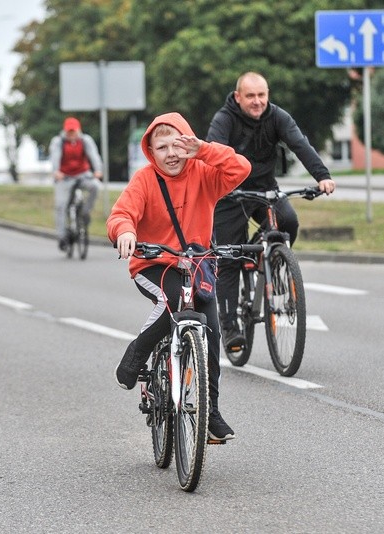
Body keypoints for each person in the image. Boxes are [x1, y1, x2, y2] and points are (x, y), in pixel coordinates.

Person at [107, 112, 251, 441]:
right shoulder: (144, 180)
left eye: (178, 144)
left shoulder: (204, 172)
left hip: (196, 265)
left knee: (211, 332)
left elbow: (240, 168)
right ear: (150, 151)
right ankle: (138, 351)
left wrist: (204, 150)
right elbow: (121, 214)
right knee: (172, 300)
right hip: (153, 263)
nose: (171, 153)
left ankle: (209, 411)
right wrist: (126, 233)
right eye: (161, 147)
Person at [206, 72, 336, 350]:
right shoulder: (224, 119)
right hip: (231, 193)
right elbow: (213, 154)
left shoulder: (277, 117)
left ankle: (272, 256)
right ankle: (230, 328)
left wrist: (322, 176)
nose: (257, 101)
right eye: (250, 96)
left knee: (288, 222)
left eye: (262, 95)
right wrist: (218, 185)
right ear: (238, 96)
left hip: (265, 189)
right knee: (229, 257)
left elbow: (300, 144)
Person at [49, 116, 103, 251]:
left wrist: (98, 170)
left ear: (79, 130)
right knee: (61, 205)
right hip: (65, 177)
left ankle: (85, 212)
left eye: (74, 132)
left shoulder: (85, 140)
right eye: (69, 132)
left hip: (82, 175)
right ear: (65, 131)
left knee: (95, 186)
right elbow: (55, 157)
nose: (71, 135)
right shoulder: (58, 142)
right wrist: (56, 171)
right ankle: (62, 237)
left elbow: (94, 155)